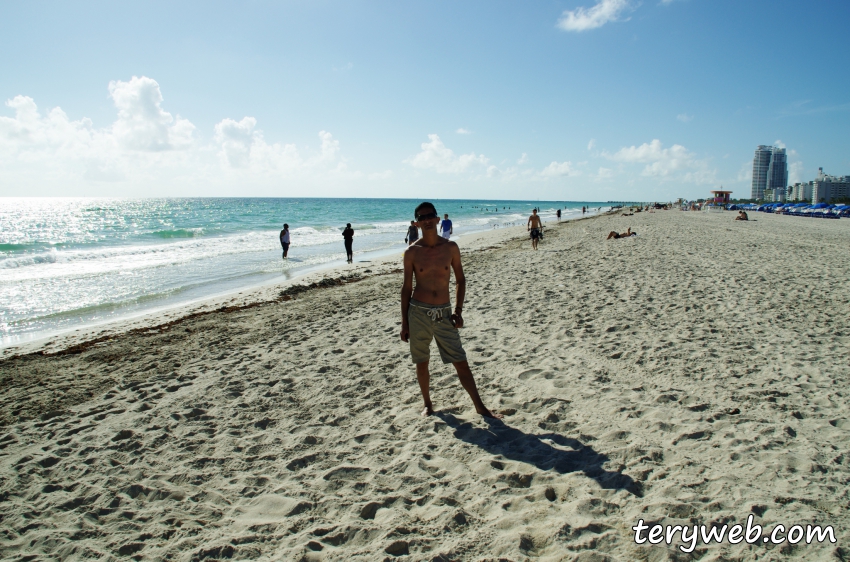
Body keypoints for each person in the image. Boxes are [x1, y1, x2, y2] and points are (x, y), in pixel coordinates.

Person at [400, 202, 502, 419]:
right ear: (417, 223)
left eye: (430, 216)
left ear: (438, 220)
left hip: (444, 313)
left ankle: (479, 406)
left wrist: (458, 310)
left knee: (460, 360)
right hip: (418, 312)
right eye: (422, 217)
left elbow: (460, 280)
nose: (426, 220)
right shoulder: (411, 252)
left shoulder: (451, 247)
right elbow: (406, 288)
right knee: (422, 361)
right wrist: (404, 323)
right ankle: (427, 404)